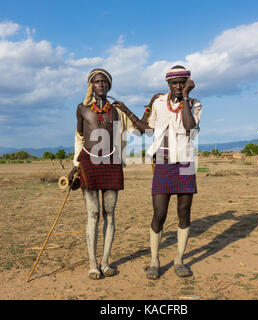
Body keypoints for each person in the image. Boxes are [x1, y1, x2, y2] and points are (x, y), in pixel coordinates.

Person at [114, 65, 202, 280]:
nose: (178, 86)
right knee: (159, 214)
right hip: (162, 163)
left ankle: (179, 260)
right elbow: (147, 129)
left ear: (188, 83)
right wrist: (126, 110)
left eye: (183, 82)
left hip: (185, 162)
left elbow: (190, 128)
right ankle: (154, 260)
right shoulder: (159, 102)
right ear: (168, 84)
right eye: (174, 83)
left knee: (184, 213)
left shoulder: (194, 104)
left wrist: (187, 98)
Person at [69, 68, 158, 280]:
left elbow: (143, 130)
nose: (100, 85)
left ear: (109, 86)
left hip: (112, 162)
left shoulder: (117, 111)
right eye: (96, 82)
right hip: (88, 163)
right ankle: (93, 264)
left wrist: (147, 105)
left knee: (110, 214)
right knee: (93, 214)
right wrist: (75, 164)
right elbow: (79, 137)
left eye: (104, 82)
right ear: (91, 85)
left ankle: (106, 262)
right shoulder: (82, 109)